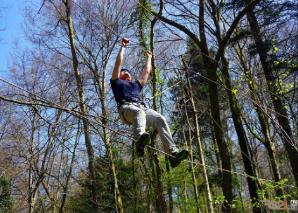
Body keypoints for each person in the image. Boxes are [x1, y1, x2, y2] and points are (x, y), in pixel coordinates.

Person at [110, 38, 189, 168]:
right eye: (124, 71)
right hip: (127, 109)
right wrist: (123, 47)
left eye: (128, 71)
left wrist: (149, 58)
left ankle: (172, 154)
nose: (127, 72)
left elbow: (146, 72)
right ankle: (139, 141)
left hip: (142, 109)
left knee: (160, 119)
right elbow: (118, 63)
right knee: (139, 112)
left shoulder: (136, 85)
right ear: (120, 74)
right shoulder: (116, 82)